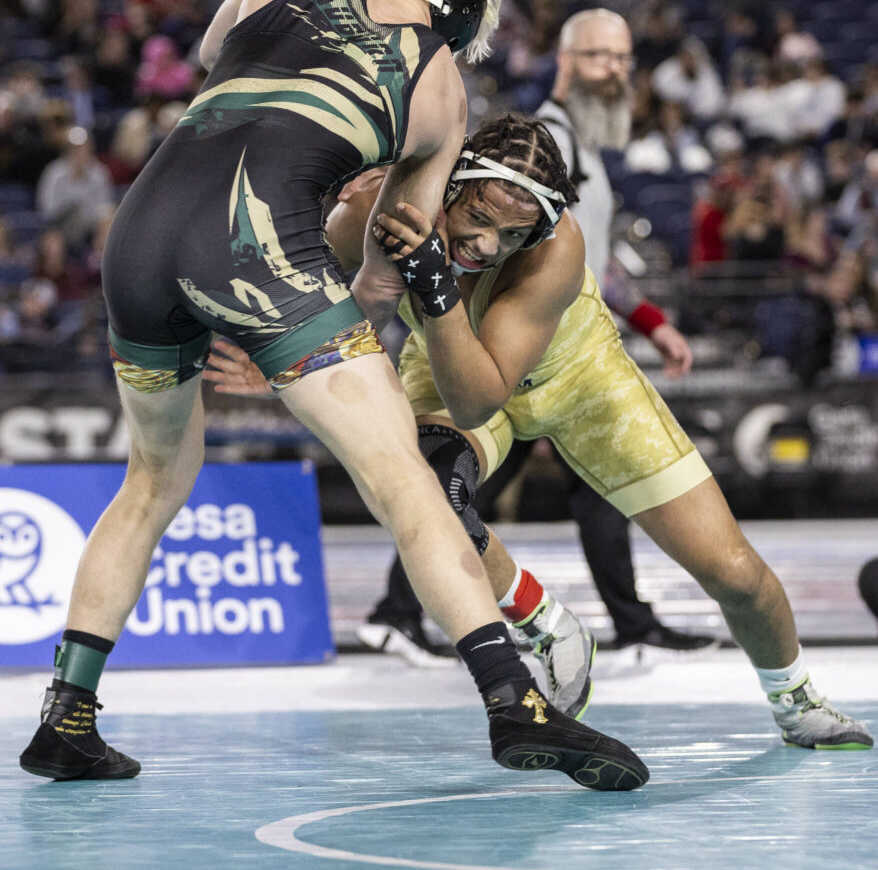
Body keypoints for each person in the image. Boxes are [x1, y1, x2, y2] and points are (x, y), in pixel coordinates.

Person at [19, 0, 649, 793]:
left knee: (152, 480)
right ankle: (515, 702)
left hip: (141, 229)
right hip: (256, 242)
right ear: (461, 14)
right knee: (402, 478)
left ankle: (67, 717)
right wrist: (302, 330)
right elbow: (392, 264)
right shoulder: (440, 88)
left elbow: (214, 53)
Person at [206, 115, 873, 753]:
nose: (489, 245)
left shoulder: (557, 249)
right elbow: (308, 292)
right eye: (479, 218)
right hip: (451, 358)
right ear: (453, 185)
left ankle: (796, 699)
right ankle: (548, 622)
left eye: (512, 234)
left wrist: (438, 290)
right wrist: (282, 362)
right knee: (426, 490)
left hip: (579, 378)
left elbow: (478, 399)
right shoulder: (373, 212)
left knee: (734, 574)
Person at [366, 8, 717, 666]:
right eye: (598, 57)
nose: (615, 71)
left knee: (470, 485)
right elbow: (537, 259)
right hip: (526, 347)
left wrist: (648, 321)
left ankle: (401, 612)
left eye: (622, 59)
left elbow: (587, 260)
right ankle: (410, 612)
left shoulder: (583, 146)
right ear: (565, 59)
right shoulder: (542, 153)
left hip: (544, 337)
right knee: (476, 481)